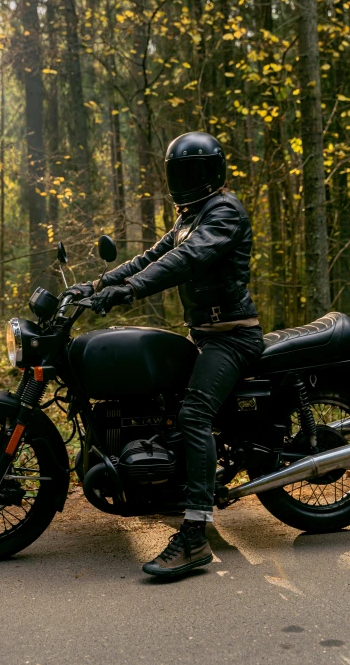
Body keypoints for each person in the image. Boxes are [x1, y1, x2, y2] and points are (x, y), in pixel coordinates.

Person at [63, 132, 264, 577]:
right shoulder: (190, 215)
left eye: (192, 170)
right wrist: (97, 285)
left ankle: (195, 536)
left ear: (211, 171)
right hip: (205, 334)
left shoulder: (224, 211)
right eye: (179, 171)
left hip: (231, 337)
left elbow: (188, 259)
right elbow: (151, 256)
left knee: (193, 415)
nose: (185, 179)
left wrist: (128, 292)